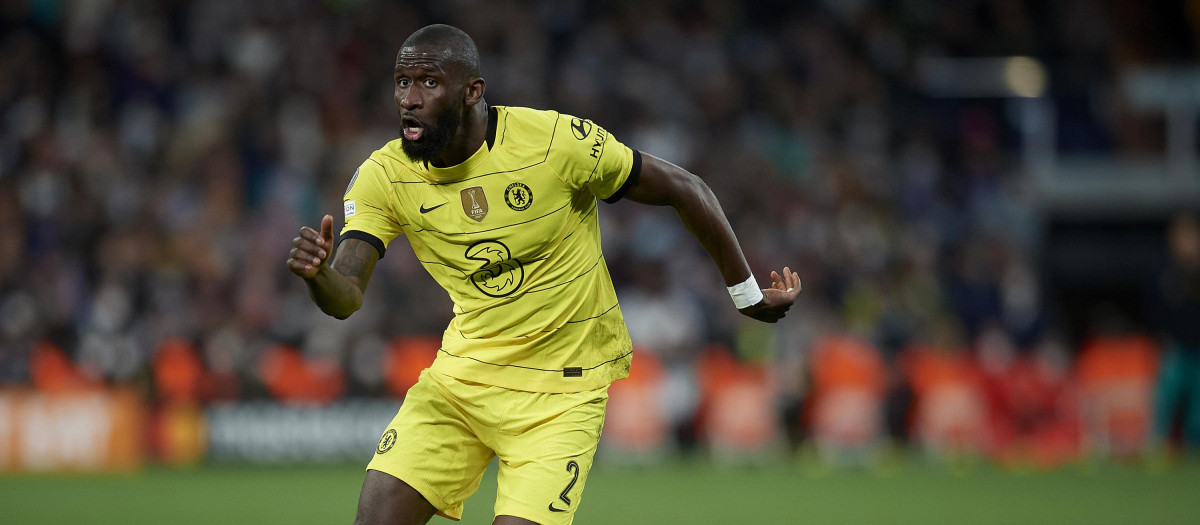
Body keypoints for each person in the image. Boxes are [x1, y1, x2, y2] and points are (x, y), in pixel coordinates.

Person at [286, 24, 800, 525]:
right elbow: (346, 296)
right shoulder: (385, 175)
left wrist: (746, 294)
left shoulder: (554, 141)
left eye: (429, 82)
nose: (410, 99)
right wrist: (318, 276)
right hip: (460, 383)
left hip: (562, 397)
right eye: (402, 81)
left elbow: (686, 188)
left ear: (472, 92)